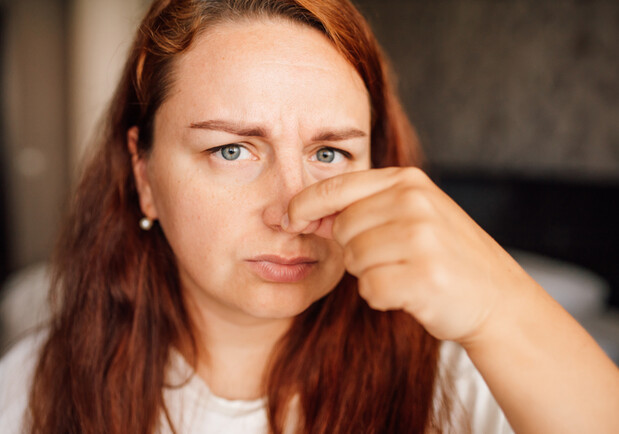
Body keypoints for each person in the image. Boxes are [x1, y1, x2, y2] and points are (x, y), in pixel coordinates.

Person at [1, 0, 618, 432]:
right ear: (145, 177)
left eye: (330, 152)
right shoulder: (37, 386)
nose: (292, 212)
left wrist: (502, 308)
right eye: (232, 150)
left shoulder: (461, 377)